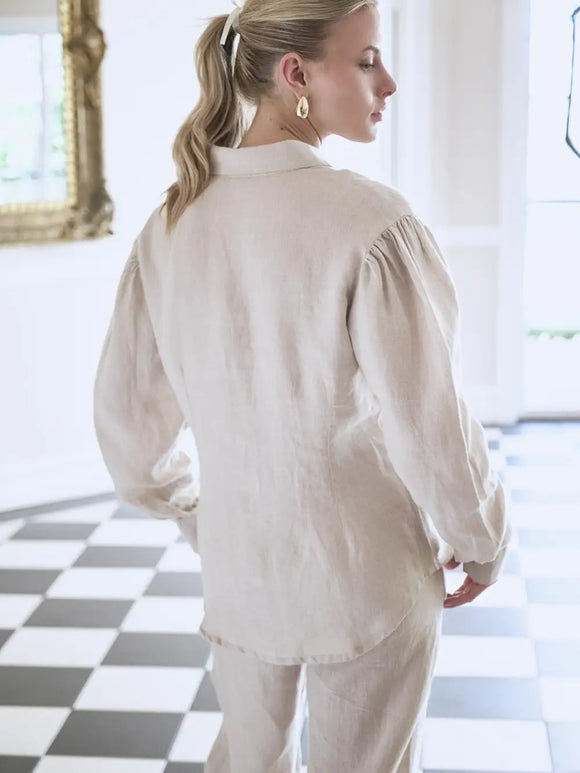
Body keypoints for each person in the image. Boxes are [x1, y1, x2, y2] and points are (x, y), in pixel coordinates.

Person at [93, 1, 514, 771]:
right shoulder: (371, 225)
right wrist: (482, 538)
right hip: (370, 580)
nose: (389, 81)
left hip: (243, 579)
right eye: (366, 60)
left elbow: (129, 433)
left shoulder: (170, 225)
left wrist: (201, 513)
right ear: (295, 76)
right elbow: (433, 427)